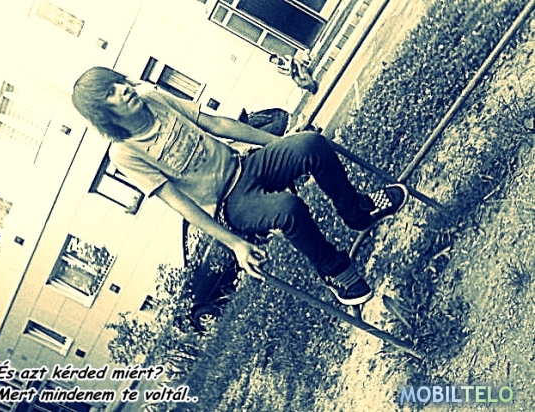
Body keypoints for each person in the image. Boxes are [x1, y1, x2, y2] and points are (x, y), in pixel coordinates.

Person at [71, 67, 409, 306]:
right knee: (288, 208)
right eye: (110, 93)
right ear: (103, 113)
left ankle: (357, 211)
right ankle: (333, 269)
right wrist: (234, 244)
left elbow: (217, 124)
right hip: (228, 204)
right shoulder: (125, 153)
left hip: (245, 165)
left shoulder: (153, 97)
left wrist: (281, 145)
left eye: (118, 82)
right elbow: (179, 204)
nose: (123, 89)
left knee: (311, 144)